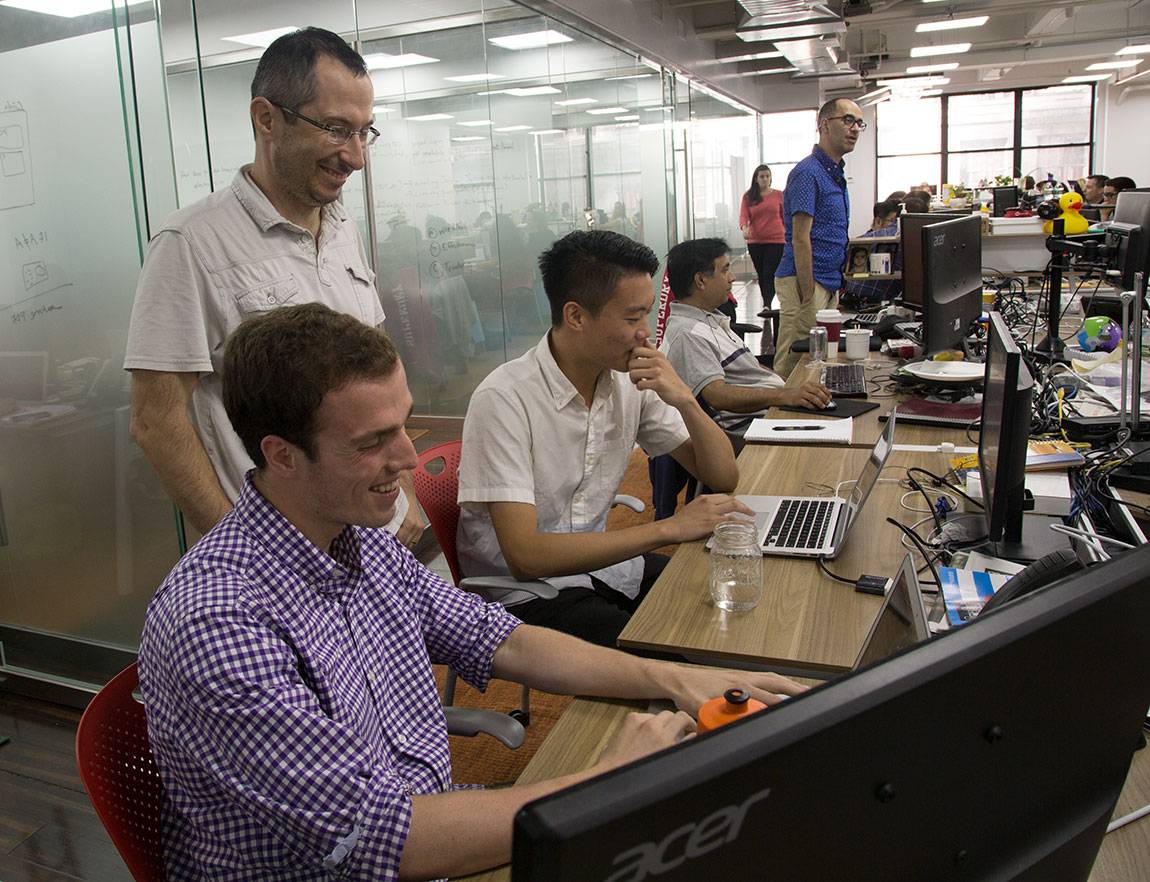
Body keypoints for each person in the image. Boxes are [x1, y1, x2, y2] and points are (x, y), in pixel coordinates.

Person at [137, 302, 806, 880]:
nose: (407, 457)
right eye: (373, 441)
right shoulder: (218, 622)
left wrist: (675, 679)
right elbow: (379, 839)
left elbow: (503, 637)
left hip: (432, 833)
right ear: (281, 455)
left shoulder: (357, 540)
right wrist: (606, 776)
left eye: (403, 422)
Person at [124, 27, 424, 548]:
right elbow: (157, 420)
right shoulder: (191, 243)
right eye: (335, 129)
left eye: (363, 132)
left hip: (373, 537)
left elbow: (378, 381)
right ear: (266, 118)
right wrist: (245, 551)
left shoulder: (341, 229)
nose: (355, 157)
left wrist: (407, 497)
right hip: (281, 548)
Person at [456, 230, 751, 647]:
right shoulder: (504, 399)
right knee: (670, 656)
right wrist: (669, 528)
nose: (644, 333)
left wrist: (685, 398)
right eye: (632, 318)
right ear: (576, 316)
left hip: (602, 566)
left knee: (720, 600)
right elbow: (526, 558)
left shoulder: (628, 380)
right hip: (524, 594)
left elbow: (723, 475)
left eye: (647, 315)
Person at [661, 238, 830, 438]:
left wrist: (792, 386)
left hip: (771, 413)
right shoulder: (688, 334)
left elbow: (750, 369)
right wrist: (784, 394)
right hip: (752, 428)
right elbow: (717, 395)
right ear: (700, 281)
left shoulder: (710, 318)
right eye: (724, 270)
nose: (732, 277)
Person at [773, 98, 864, 378]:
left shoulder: (834, 173)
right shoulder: (808, 172)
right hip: (806, 280)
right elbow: (801, 238)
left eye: (859, 123)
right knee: (794, 358)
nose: (855, 129)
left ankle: (808, 412)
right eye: (847, 120)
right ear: (824, 125)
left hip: (827, 279)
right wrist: (808, 291)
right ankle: (777, 416)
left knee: (819, 357)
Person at [739, 164, 786, 314]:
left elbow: (785, 216)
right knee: (761, 273)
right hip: (755, 241)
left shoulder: (779, 195)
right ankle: (766, 301)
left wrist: (791, 236)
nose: (765, 179)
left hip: (776, 240)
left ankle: (767, 304)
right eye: (762, 176)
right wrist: (744, 228)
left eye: (767, 176)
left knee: (768, 271)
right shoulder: (749, 196)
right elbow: (744, 216)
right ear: (756, 179)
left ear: (771, 178)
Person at [843, 200, 901, 307]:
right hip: (881, 303)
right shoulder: (903, 235)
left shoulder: (863, 240)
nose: (893, 226)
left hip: (853, 300)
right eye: (891, 221)